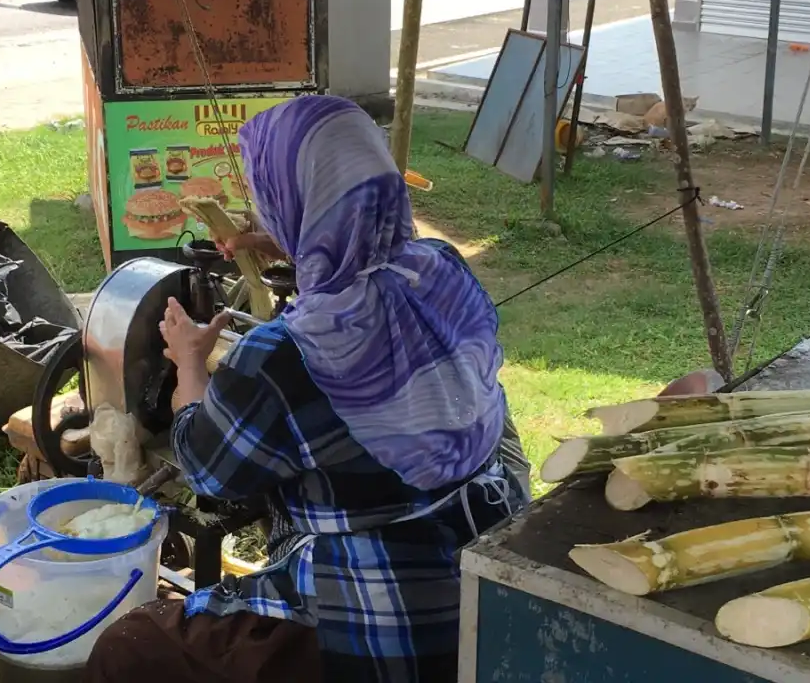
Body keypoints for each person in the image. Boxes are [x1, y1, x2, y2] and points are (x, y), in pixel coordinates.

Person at [85, 95, 531, 683]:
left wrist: (190, 364)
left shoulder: (286, 354)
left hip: (388, 627)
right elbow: (371, 269)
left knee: (133, 645)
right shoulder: (443, 268)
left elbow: (207, 468)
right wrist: (294, 244)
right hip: (486, 576)